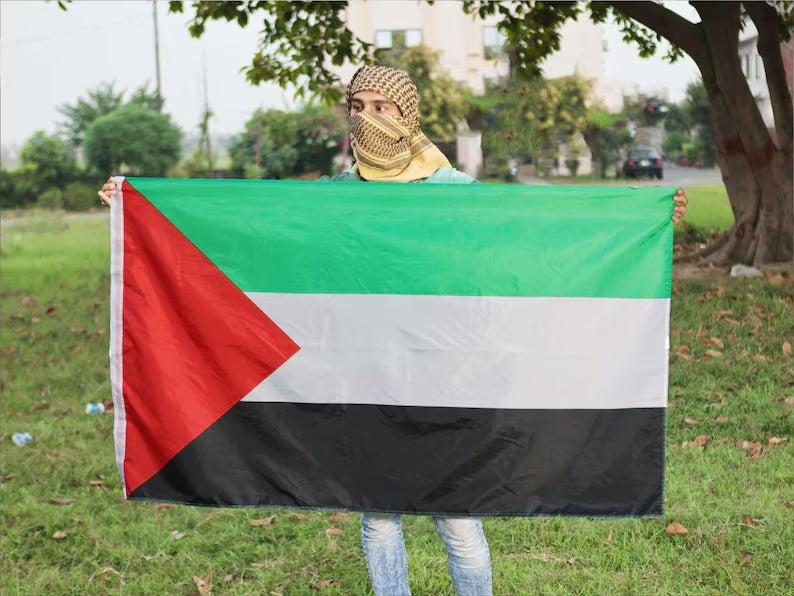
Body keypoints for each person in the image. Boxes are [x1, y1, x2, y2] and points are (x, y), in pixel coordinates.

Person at [98, 65, 688, 596]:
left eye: (382, 107)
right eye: (358, 106)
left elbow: (529, 231)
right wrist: (137, 209)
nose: (367, 117)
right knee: (377, 514)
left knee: (459, 514)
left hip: (449, 376)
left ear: (407, 116)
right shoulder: (335, 197)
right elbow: (257, 228)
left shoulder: (453, 191)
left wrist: (645, 218)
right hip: (368, 377)